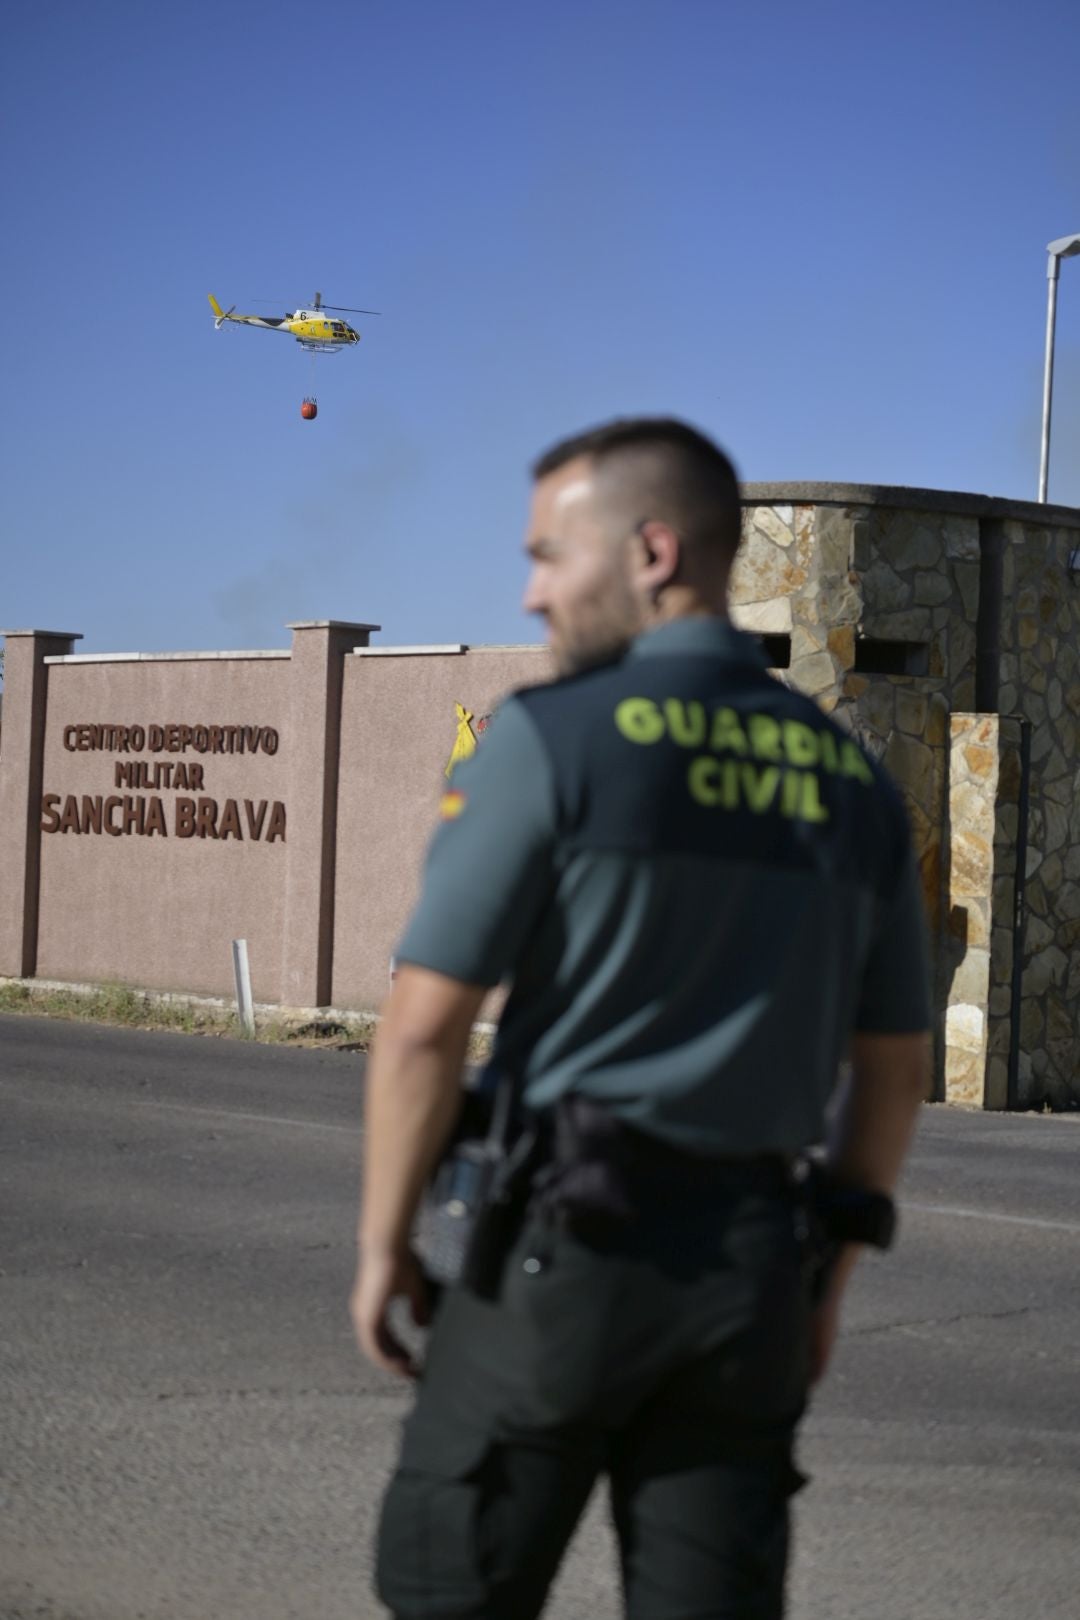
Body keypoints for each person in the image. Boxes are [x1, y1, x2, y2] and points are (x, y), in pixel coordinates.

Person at [351, 418, 931, 1619]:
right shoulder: (854, 784)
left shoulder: (552, 742)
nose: (530, 593)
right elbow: (894, 1064)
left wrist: (383, 1244)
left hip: (560, 1263)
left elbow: (419, 1029)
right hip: (750, 1282)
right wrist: (825, 1284)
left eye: (552, 556)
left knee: (448, 1588)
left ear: (653, 551)